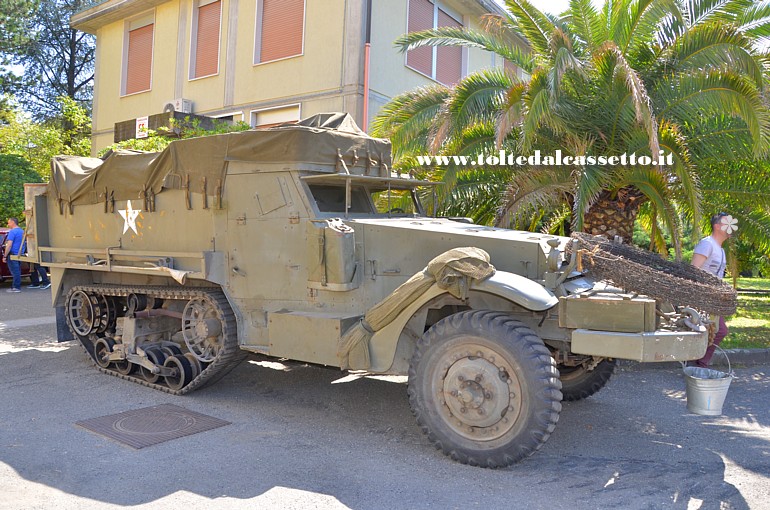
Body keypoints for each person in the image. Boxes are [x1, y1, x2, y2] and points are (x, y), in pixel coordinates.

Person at [691, 212, 737, 367]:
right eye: (727, 223)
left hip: (714, 298)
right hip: (702, 297)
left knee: (718, 331)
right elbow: (693, 270)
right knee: (709, 331)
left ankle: (699, 362)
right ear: (717, 226)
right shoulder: (707, 244)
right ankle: (697, 363)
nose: (731, 226)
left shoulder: (721, 250)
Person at [2, 217, 24, 293]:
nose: (8, 224)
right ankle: (16, 286)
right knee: (17, 270)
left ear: (13, 222)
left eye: (9, 223)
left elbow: (9, 245)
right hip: (20, 253)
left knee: (15, 272)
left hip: (12, 254)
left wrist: (5, 256)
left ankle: (16, 287)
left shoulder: (12, 232)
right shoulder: (22, 231)